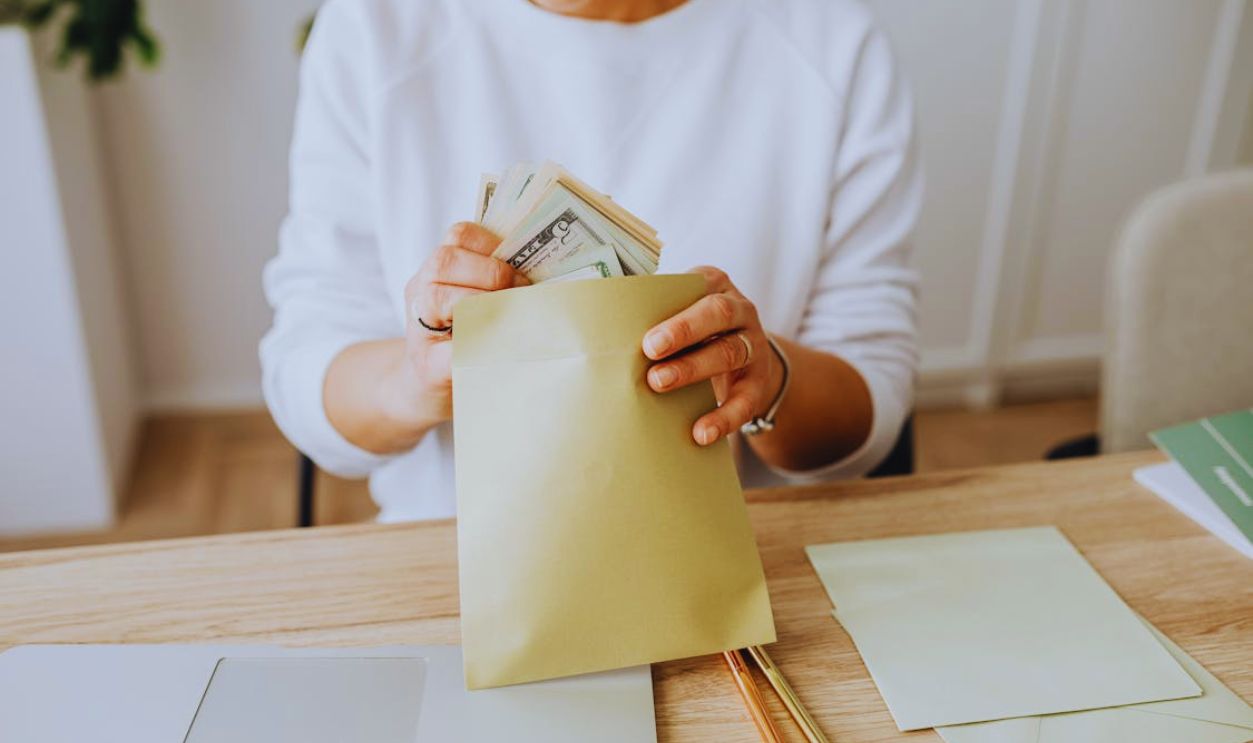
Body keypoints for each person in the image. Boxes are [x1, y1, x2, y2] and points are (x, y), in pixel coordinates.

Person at [262, 0, 922, 523]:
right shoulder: (375, 28)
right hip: (451, 567)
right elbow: (308, 371)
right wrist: (415, 380)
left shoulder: (830, 44)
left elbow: (871, 402)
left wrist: (768, 380)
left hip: (753, 561)